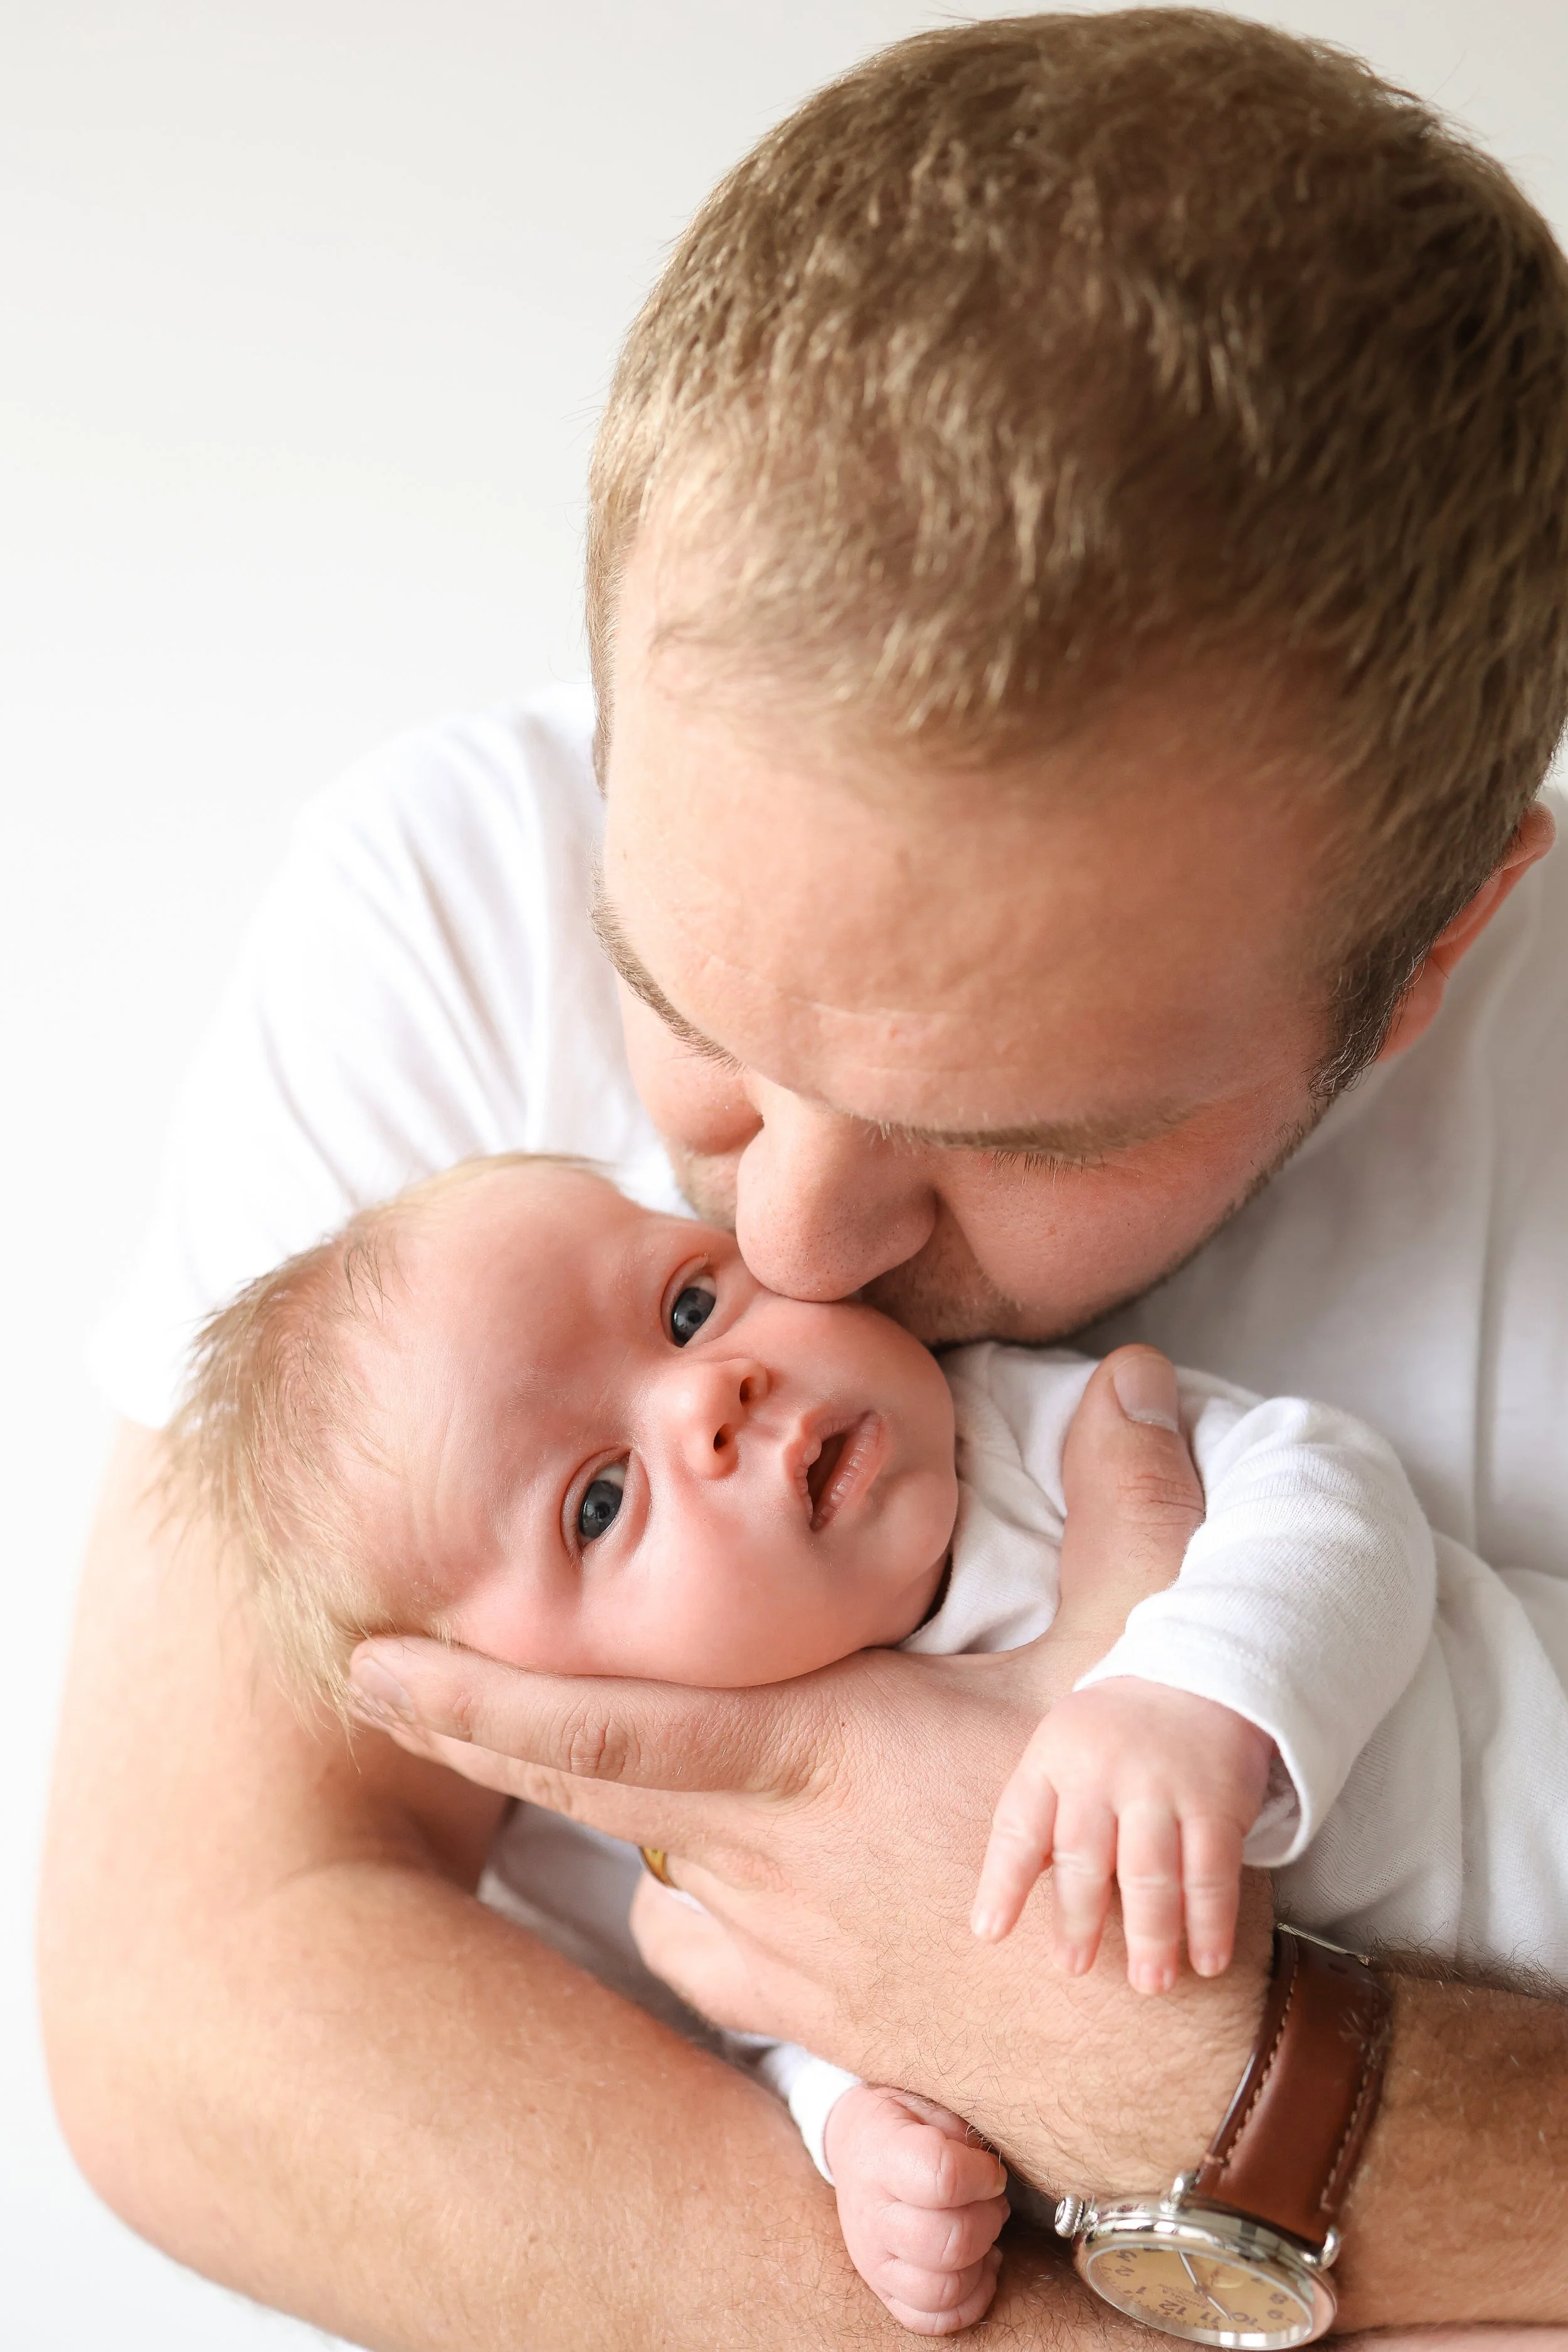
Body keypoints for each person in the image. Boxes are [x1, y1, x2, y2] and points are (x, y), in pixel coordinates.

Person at [38, 12, 1568, 2347]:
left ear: (1435, 951)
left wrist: (1200, 2067)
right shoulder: (459, 897)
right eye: (697, 1023)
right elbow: (200, 2002)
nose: (784, 1249)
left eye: (1020, 1136)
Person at [172, 1150, 1475, 2330]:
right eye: (601, 1499)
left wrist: (1192, 1692)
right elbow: (799, 2021)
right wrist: (855, 2134)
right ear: (546, 1710)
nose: (708, 1397)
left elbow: (1322, 1484)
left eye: (688, 1306)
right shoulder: (716, 1863)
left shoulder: (1013, 1436)